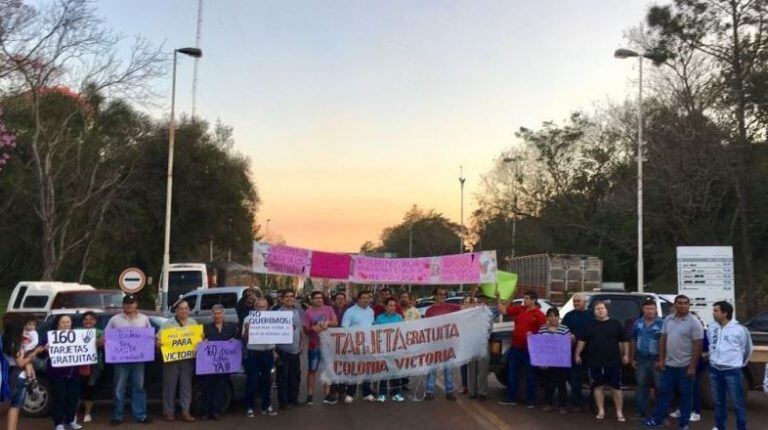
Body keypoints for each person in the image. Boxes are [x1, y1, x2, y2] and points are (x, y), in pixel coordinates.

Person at [643, 295, 704, 429]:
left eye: (685, 303)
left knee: (685, 396)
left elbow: (698, 345)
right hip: (669, 366)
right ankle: (657, 419)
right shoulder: (668, 319)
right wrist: (661, 360)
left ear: (689, 305)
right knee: (664, 393)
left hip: (685, 366)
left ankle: (684, 424)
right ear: (675, 305)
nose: (682, 305)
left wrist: (693, 366)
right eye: (679, 303)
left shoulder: (694, 323)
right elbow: (663, 340)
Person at [574, 300, 629, 422]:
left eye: (602, 308)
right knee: (598, 387)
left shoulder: (616, 324)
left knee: (616, 388)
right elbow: (582, 341)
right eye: (598, 309)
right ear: (594, 312)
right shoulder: (588, 325)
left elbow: (625, 340)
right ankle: (601, 410)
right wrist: (577, 354)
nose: (600, 311)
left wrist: (626, 355)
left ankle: (619, 412)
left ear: (606, 310)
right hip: (594, 362)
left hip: (613, 362)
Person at [106, 294, 152, 426]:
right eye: (126, 303)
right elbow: (106, 336)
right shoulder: (114, 320)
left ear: (136, 304)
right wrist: (104, 341)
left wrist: (154, 341)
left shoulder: (144, 319)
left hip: (139, 360)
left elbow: (149, 336)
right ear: (123, 305)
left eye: (131, 303)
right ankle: (117, 416)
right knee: (119, 388)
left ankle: (140, 414)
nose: (129, 305)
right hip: (120, 360)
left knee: (139, 387)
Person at [707, 301, 752, 430]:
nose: (713, 313)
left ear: (725, 313)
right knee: (719, 401)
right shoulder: (712, 328)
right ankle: (720, 426)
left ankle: (741, 427)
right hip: (715, 370)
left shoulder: (740, 330)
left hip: (732, 371)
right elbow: (711, 345)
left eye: (716, 310)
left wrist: (738, 364)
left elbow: (747, 349)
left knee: (737, 403)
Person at [497, 290, 546, 407]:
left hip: (530, 350)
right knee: (512, 373)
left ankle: (530, 400)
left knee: (530, 375)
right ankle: (511, 398)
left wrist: (534, 338)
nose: (525, 300)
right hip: (515, 348)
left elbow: (544, 333)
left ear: (534, 300)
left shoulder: (539, 315)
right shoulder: (520, 309)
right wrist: (499, 297)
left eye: (527, 298)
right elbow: (502, 310)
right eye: (524, 298)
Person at [158, 300, 198, 422]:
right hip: (171, 361)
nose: (183, 311)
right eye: (181, 308)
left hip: (187, 360)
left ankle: (185, 412)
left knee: (186, 387)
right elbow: (158, 340)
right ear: (176, 310)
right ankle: (169, 412)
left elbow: (198, 340)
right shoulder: (167, 324)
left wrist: (200, 342)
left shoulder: (193, 323)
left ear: (189, 310)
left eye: (186, 308)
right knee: (170, 387)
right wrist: (161, 343)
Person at [200, 304, 239, 420]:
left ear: (223, 314)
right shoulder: (206, 328)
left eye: (219, 313)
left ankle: (216, 410)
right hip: (209, 364)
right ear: (212, 315)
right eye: (215, 313)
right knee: (207, 388)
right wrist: (203, 341)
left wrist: (234, 340)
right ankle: (206, 411)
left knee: (220, 387)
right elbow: (199, 342)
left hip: (224, 364)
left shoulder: (231, 328)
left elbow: (238, 341)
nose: (217, 315)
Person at [45, 314, 83, 430]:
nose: (66, 324)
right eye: (63, 322)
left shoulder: (77, 336)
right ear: (57, 324)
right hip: (57, 374)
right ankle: (58, 422)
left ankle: (70, 420)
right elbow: (40, 353)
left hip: (74, 373)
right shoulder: (50, 337)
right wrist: (45, 348)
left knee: (73, 397)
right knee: (59, 397)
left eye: (68, 322)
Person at [242, 298, 278, 417]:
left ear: (267, 307)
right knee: (251, 381)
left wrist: (273, 351)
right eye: (259, 307)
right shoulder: (248, 319)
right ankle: (249, 407)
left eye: (264, 307)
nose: (261, 309)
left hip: (267, 353)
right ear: (255, 307)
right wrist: (248, 330)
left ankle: (266, 405)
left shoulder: (273, 319)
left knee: (267, 381)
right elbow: (244, 338)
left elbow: (276, 335)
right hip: (253, 353)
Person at [5, 326, 45, 430]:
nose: (25, 332)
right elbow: (21, 363)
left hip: (15, 374)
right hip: (17, 375)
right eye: (23, 330)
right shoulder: (15, 346)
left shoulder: (9, 343)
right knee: (15, 406)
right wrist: (34, 354)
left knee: (15, 406)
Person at [425, 287, 462, 401]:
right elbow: (426, 327)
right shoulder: (429, 310)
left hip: (447, 343)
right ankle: (429, 391)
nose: (442, 296)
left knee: (448, 368)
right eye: (440, 294)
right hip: (434, 343)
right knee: (432, 368)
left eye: (444, 294)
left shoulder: (451, 307)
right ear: (435, 295)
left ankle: (449, 391)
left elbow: (466, 310)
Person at [302, 290, 338, 405]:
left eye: (321, 298)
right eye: (316, 298)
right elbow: (306, 330)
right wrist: (313, 328)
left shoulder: (329, 309)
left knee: (328, 369)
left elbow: (335, 322)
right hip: (314, 345)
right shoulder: (308, 312)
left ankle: (327, 395)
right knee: (312, 370)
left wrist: (326, 323)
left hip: (327, 345)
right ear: (311, 299)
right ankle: (310, 395)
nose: (319, 300)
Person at [341, 290, 376, 403]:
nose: (367, 300)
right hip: (354, 345)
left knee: (367, 370)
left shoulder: (371, 311)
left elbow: (371, 326)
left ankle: (367, 393)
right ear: (358, 299)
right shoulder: (350, 312)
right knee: (354, 370)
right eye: (364, 298)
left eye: (368, 298)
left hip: (368, 345)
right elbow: (344, 328)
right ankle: (350, 393)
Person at [631, 300, 663, 420]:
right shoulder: (637, 323)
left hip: (656, 359)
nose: (649, 311)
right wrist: (632, 358)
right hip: (641, 359)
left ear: (655, 310)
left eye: (651, 308)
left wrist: (662, 360)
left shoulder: (662, 323)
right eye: (647, 308)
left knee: (659, 388)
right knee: (641, 386)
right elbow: (633, 340)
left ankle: (660, 414)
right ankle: (641, 412)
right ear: (643, 310)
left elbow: (665, 343)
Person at [561, 293, 593, 412]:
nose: (576, 303)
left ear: (585, 302)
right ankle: (576, 404)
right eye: (574, 301)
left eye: (578, 301)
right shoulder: (569, 316)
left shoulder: (592, 315)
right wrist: (569, 336)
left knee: (593, 380)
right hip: (573, 352)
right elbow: (562, 330)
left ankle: (593, 405)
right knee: (575, 379)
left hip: (590, 352)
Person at [538, 307, 571, 414]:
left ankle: (562, 405)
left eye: (555, 316)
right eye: (550, 316)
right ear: (547, 317)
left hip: (561, 361)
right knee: (548, 383)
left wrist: (571, 339)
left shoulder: (564, 328)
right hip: (548, 361)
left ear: (558, 317)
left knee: (561, 384)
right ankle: (548, 404)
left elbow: (568, 344)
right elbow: (538, 344)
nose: (553, 318)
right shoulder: (542, 328)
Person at [275, 289, 303, 409]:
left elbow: (299, 329)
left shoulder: (297, 312)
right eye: (287, 296)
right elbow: (272, 333)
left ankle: (293, 399)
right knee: (282, 377)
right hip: (283, 350)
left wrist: (301, 343)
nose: (290, 298)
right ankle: (283, 402)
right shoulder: (277, 313)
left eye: (292, 296)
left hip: (295, 350)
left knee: (295, 376)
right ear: (282, 299)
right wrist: (274, 350)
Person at [374, 297, 405, 402]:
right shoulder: (379, 318)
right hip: (383, 349)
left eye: (394, 305)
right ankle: (382, 394)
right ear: (386, 306)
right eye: (390, 305)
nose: (392, 307)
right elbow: (375, 333)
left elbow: (403, 332)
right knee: (383, 372)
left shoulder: (399, 318)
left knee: (395, 372)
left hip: (396, 349)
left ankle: (395, 393)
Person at [79, 311, 105, 424]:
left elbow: (104, 344)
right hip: (78, 365)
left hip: (94, 366)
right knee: (77, 389)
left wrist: (99, 342)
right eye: (86, 319)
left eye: (91, 319)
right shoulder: (76, 332)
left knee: (90, 389)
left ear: (95, 321)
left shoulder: (100, 332)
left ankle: (87, 413)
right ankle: (73, 414)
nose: (88, 321)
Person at [467, 293, 493, 401]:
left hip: (483, 344)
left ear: (486, 302)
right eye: (479, 301)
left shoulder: (489, 313)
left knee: (483, 370)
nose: (480, 303)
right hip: (472, 344)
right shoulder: (472, 313)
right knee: (472, 369)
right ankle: (472, 392)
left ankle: (482, 392)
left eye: (482, 301)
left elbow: (489, 329)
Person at [399, 291, 421, 392]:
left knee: (406, 363)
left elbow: (419, 326)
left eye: (406, 297)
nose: (404, 299)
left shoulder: (415, 311)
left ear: (409, 299)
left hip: (409, 342)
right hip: (397, 341)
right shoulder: (395, 310)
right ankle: (395, 383)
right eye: (402, 297)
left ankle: (404, 384)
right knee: (396, 362)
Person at [21, 318, 39, 387]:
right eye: (29, 324)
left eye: (33, 325)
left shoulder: (34, 333)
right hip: (23, 350)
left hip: (30, 350)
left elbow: (35, 342)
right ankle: (34, 379)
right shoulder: (23, 331)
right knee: (30, 365)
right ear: (25, 325)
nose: (31, 326)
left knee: (27, 364)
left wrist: (27, 348)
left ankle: (29, 378)